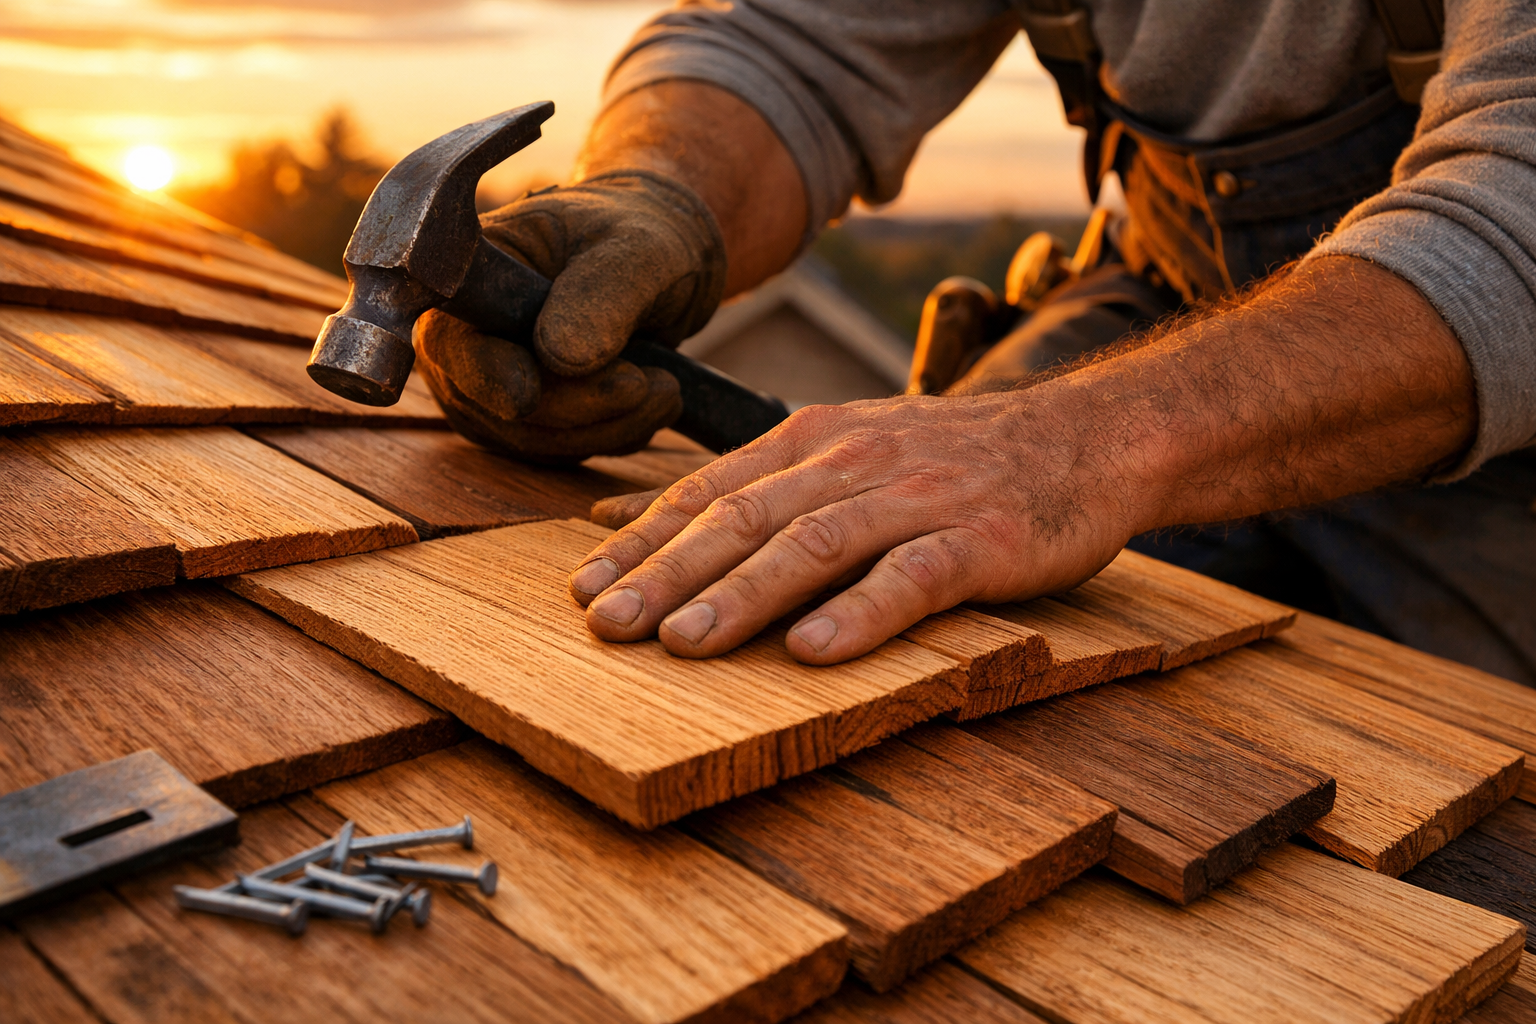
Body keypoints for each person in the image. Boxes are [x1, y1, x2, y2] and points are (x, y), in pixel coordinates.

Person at [411, 1, 1536, 679]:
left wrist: (1074, 445)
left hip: (1487, 404)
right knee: (912, 646)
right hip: (1172, 305)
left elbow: (1519, 196)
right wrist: (661, 199)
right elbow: (795, 45)